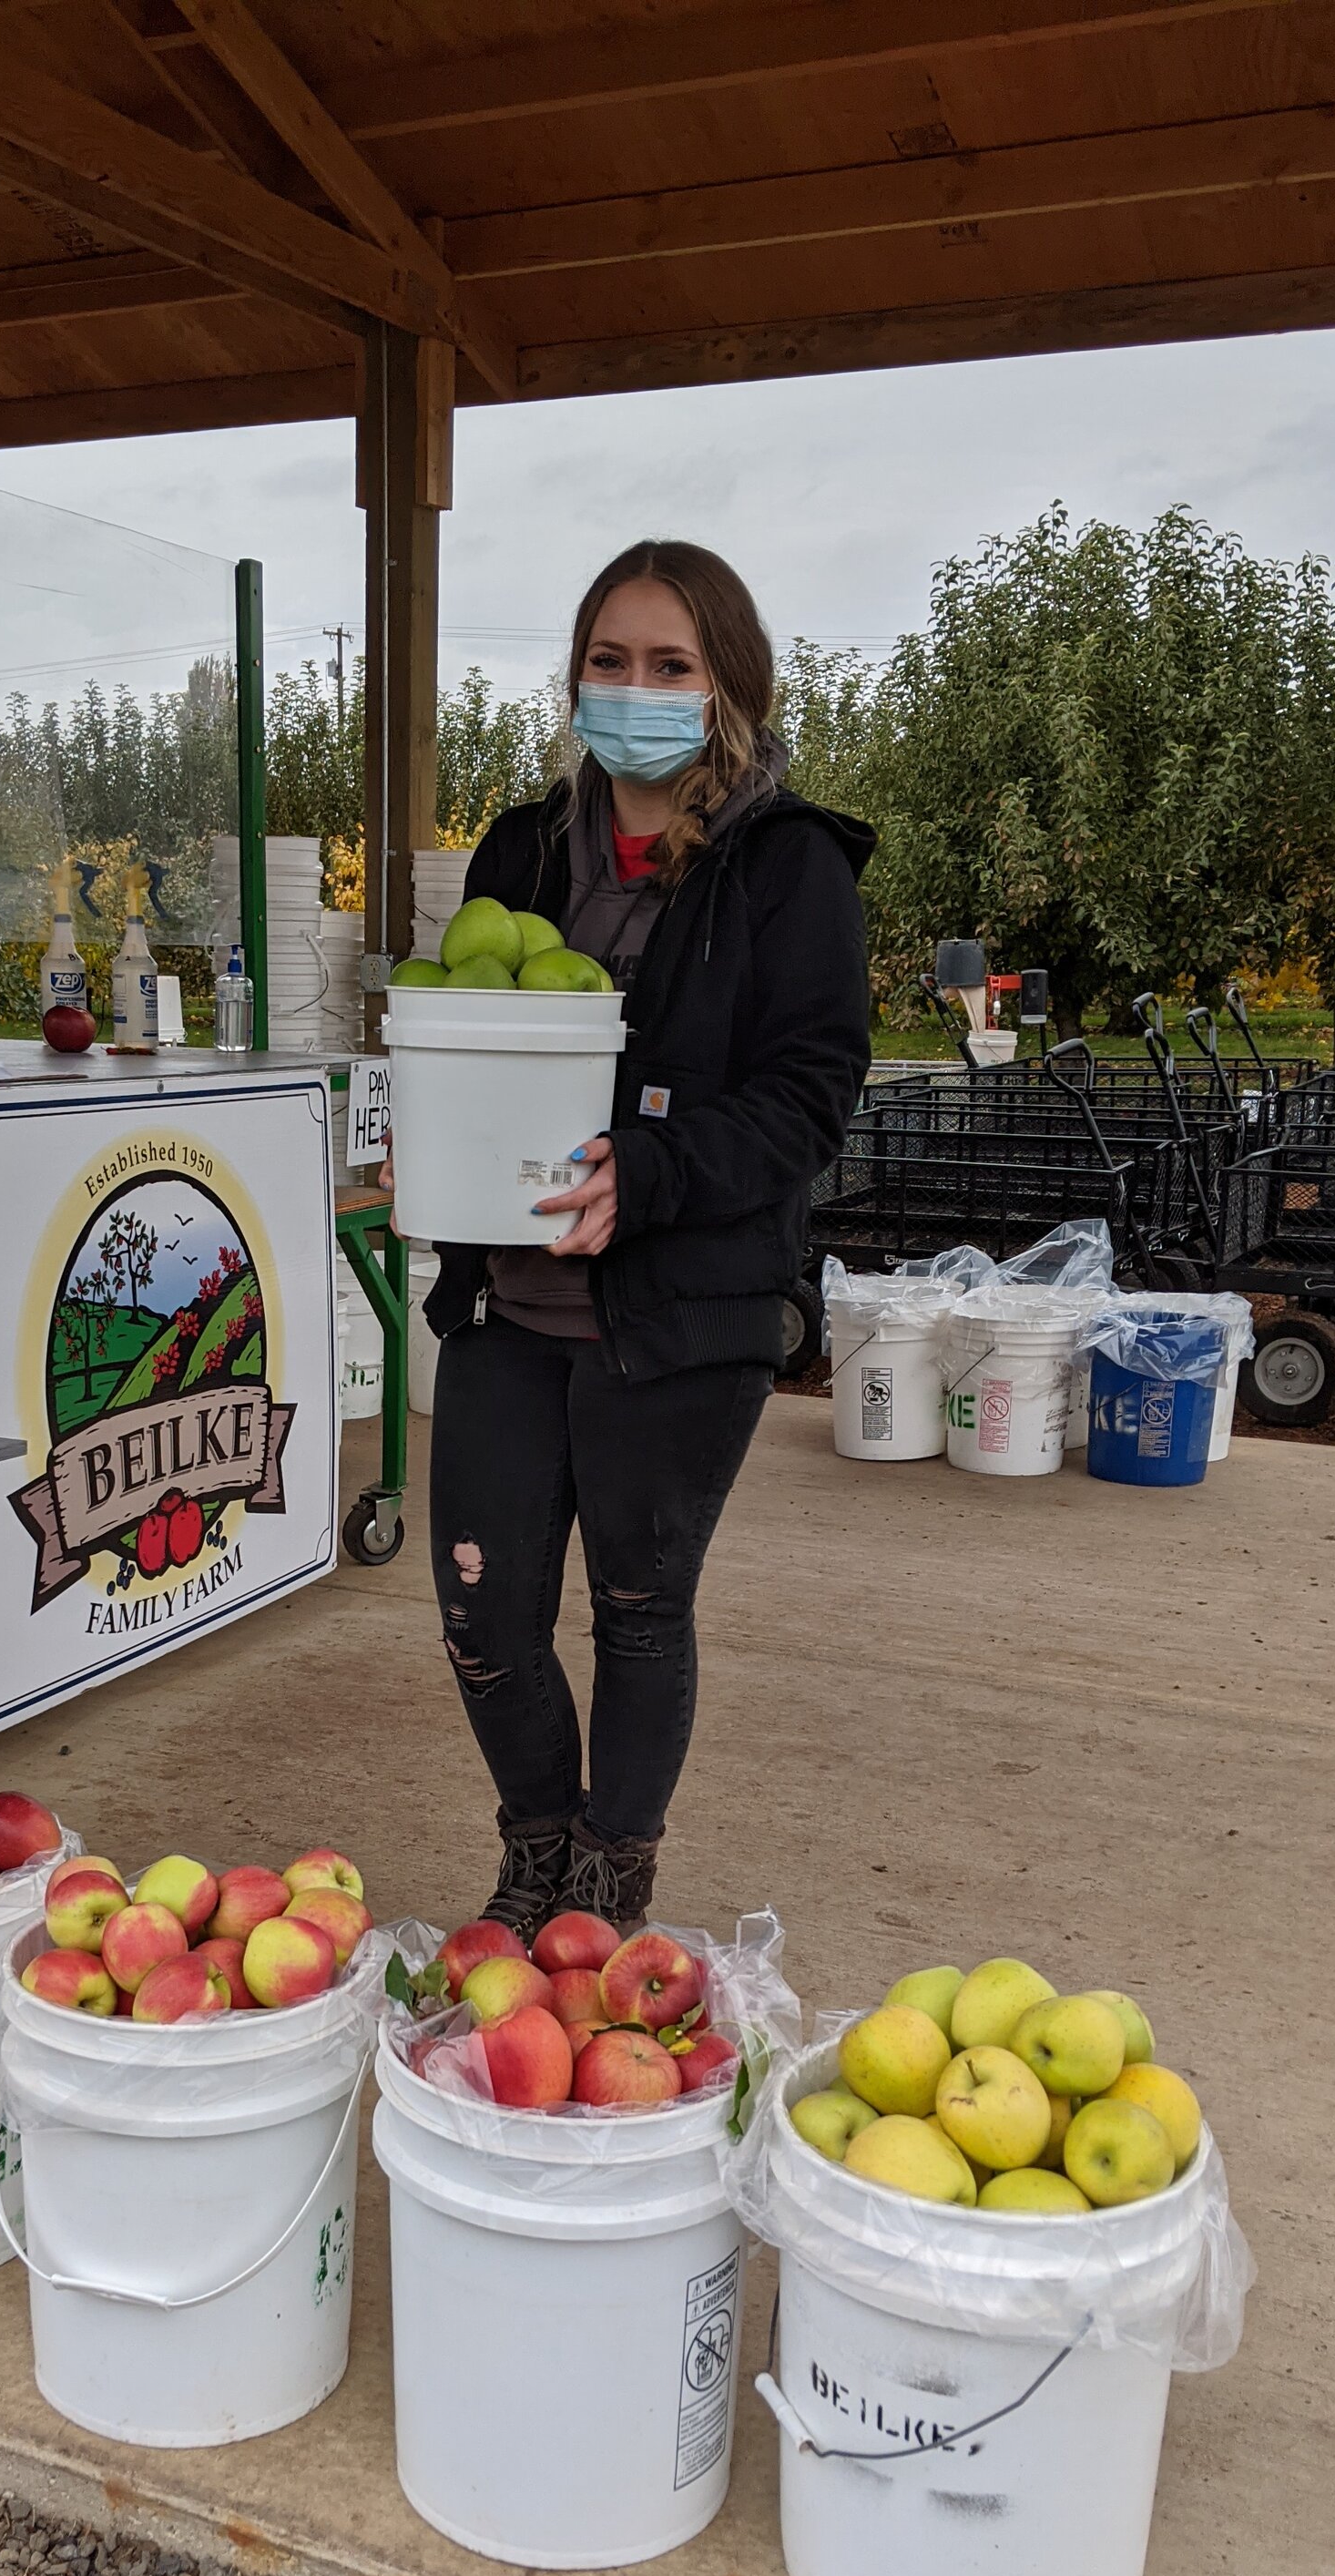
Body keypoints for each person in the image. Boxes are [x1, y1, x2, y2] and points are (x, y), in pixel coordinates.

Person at [421, 538, 874, 1937]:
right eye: (608, 661)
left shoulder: (789, 868)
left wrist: (655, 1169)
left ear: (728, 682)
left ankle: (606, 1887)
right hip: (508, 1300)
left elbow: (809, 1097)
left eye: (669, 664)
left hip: (676, 1316)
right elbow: (465, 1029)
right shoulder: (524, 849)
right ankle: (537, 1842)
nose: (635, 688)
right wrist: (423, 1131)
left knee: (635, 1609)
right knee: (485, 1618)